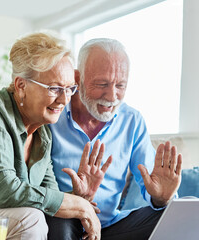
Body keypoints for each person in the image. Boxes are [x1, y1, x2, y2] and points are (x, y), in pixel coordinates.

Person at [0, 32, 111, 240]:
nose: (64, 99)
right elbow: (3, 190)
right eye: (54, 88)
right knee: (29, 220)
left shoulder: (43, 136)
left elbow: (47, 197)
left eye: (69, 89)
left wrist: (78, 198)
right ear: (21, 86)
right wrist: (79, 207)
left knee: (41, 216)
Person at [47, 38, 183, 240]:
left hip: (110, 227)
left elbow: (152, 184)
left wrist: (162, 198)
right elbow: (37, 185)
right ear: (77, 78)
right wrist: (77, 201)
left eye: (120, 85)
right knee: (59, 222)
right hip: (64, 219)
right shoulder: (52, 116)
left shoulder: (132, 121)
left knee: (176, 215)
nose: (112, 96)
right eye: (102, 84)